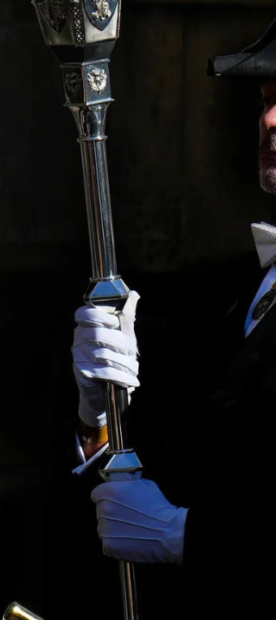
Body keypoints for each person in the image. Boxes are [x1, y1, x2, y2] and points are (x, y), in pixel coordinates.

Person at [71, 17, 276, 616]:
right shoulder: (227, 293)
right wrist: (97, 416)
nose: (269, 120)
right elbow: (140, 487)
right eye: (265, 101)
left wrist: (190, 538)